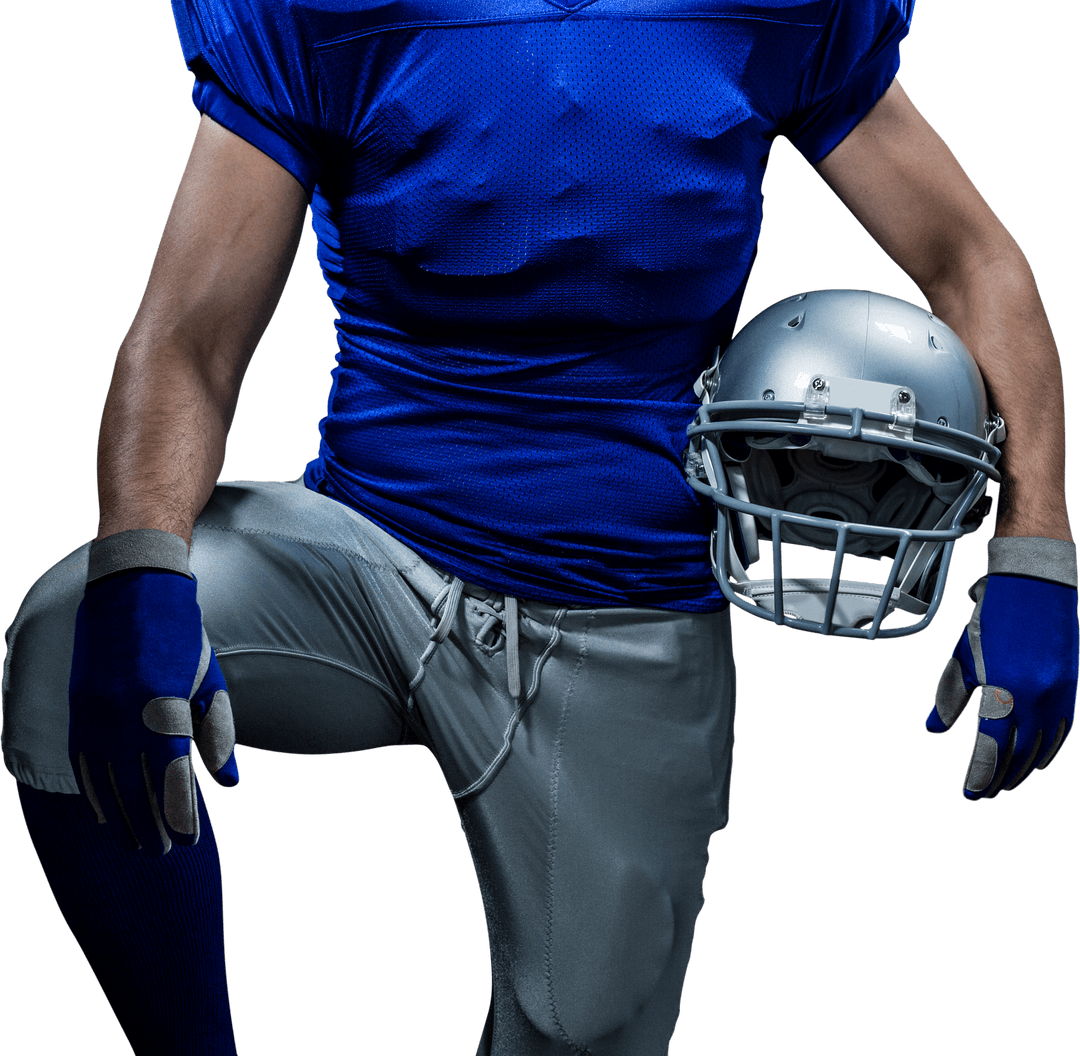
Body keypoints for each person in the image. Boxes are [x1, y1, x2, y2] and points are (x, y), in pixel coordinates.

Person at [2, 2, 1076, 1054]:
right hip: (370, 559)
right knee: (69, 635)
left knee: (581, 1029)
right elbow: (190, 339)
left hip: (628, 602)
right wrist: (141, 562)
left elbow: (967, 259)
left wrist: (1037, 551)